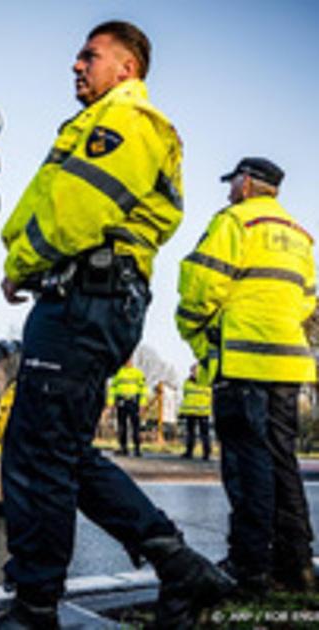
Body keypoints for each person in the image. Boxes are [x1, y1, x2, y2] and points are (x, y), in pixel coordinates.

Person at [0, 20, 233, 629]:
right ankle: (179, 566)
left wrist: (22, 262)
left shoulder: (126, 122)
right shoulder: (98, 124)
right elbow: (46, 205)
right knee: (59, 449)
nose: (77, 66)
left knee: (39, 451)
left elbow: (77, 211)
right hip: (87, 294)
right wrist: (21, 257)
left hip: (86, 296)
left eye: (90, 56)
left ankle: (36, 608)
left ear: (127, 68)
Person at [176, 157, 316, 595]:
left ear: (248, 182)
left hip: (243, 361)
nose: (228, 191)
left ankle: (249, 565)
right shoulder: (301, 237)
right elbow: (308, 301)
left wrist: (192, 326)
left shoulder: (236, 221)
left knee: (245, 463)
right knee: (281, 460)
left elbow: (201, 284)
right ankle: (297, 564)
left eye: (232, 182)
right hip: (288, 363)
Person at [107, 359, 147, 456]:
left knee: (135, 425)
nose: (128, 361)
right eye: (126, 359)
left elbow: (143, 389)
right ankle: (123, 448)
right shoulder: (118, 373)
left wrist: (142, 403)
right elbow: (113, 388)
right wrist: (110, 402)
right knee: (121, 425)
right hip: (121, 401)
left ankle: (137, 449)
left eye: (129, 359)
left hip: (134, 402)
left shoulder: (138, 373)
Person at [178, 364, 212, 460]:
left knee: (204, 434)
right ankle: (189, 452)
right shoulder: (187, 382)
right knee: (190, 433)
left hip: (203, 411)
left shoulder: (206, 382)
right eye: (192, 371)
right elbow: (186, 396)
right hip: (190, 411)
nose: (194, 373)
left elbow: (210, 396)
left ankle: (206, 453)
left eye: (196, 371)